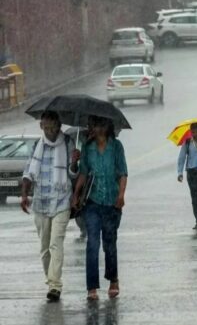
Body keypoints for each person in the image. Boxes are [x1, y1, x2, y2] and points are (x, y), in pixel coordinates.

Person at [21, 111, 80, 302]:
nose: (50, 131)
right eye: (46, 127)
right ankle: (50, 279)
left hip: (61, 200)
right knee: (45, 248)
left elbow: (73, 175)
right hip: (40, 202)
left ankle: (55, 285)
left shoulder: (68, 143)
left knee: (56, 244)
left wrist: (74, 163)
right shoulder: (37, 145)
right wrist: (24, 195)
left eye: (53, 127)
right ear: (41, 127)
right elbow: (29, 172)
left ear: (59, 125)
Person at [72, 116, 128, 301]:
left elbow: (123, 173)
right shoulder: (87, 148)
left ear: (108, 126)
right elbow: (83, 173)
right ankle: (92, 287)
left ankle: (113, 279)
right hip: (92, 203)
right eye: (95, 124)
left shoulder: (116, 147)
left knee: (109, 243)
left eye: (102, 124)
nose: (98, 128)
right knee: (92, 243)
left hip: (112, 203)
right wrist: (76, 193)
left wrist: (121, 195)